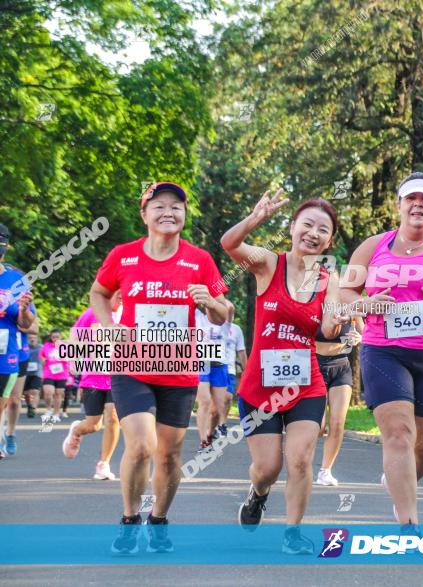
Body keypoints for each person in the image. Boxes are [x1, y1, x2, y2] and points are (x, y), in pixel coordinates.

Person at [90, 181, 229, 554]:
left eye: (176, 207)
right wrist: (109, 326)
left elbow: (224, 313)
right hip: (132, 364)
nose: (168, 212)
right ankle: (130, 518)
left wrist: (211, 304)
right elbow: (99, 292)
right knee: (141, 445)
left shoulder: (199, 260)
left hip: (179, 369)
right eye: (159, 206)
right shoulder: (123, 255)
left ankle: (160, 520)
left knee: (168, 454)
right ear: (144, 214)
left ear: (184, 215)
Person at [339, 172, 423, 530]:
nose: (418, 205)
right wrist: (366, 303)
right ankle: (409, 523)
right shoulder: (373, 247)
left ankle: (396, 480)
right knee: (399, 434)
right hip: (383, 351)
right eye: (411, 198)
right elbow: (344, 294)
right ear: (399, 205)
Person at [222, 192, 353, 554]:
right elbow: (229, 244)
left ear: (329, 240)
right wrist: (255, 217)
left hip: (306, 384)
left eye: (322, 230)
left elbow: (327, 330)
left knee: (299, 459)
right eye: (307, 224)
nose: (313, 233)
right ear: (293, 227)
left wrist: (341, 319)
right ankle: (258, 495)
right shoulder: (268, 263)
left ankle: (292, 533)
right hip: (260, 386)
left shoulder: (330, 279)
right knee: (267, 468)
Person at [62, 290, 123, 480]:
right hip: (93, 375)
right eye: (117, 291)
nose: (121, 295)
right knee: (93, 425)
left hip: (118, 374)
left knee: (113, 416)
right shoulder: (91, 314)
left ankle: (103, 464)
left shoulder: (128, 315)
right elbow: (75, 337)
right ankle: (77, 430)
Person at [0, 223, 38, 459]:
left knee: (9, 401)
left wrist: (24, 310)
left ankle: (8, 435)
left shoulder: (16, 279)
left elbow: (28, 324)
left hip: (7, 351)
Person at [314, 314, 363, 486]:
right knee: (317, 428)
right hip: (314, 364)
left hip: (341, 365)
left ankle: (325, 471)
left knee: (337, 423)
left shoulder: (351, 306)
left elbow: (367, 334)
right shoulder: (315, 301)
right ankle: (300, 462)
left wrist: (359, 338)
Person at [194, 307, 229, 451]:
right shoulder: (194, 312)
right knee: (205, 401)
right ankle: (203, 441)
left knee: (218, 407)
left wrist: (213, 303)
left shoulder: (222, 311)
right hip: (200, 361)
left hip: (219, 364)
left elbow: (229, 307)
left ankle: (209, 434)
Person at [219, 303, 247, 435]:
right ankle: (213, 424)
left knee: (228, 398)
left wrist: (246, 370)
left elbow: (241, 351)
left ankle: (222, 423)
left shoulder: (236, 330)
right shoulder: (212, 326)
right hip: (213, 367)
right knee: (213, 399)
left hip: (230, 369)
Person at [40, 329, 68, 424]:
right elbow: (42, 356)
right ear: (51, 337)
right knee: (48, 392)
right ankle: (48, 410)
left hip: (62, 374)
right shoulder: (46, 346)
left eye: (57, 336)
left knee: (58, 394)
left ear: (60, 337)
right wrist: (43, 361)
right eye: (53, 337)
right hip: (49, 373)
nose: (55, 338)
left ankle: (56, 413)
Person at [22, 333, 42, 419]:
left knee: (35, 392)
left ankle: (33, 409)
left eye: (34, 338)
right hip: (25, 373)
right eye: (30, 338)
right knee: (26, 393)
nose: (32, 339)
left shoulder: (41, 348)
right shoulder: (23, 348)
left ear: (37, 339)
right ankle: (29, 405)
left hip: (37, 373)